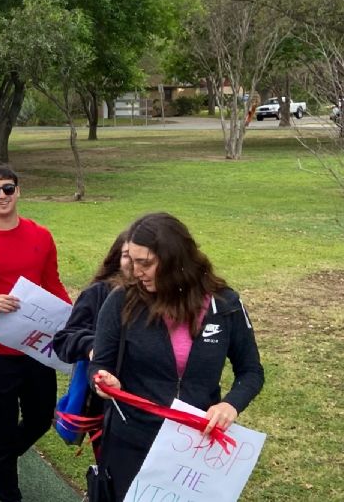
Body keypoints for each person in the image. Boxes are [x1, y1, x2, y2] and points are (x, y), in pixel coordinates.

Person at [90, 213, 264, 500]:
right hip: (131, 441)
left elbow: (251, 371)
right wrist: (103, 380)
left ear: (174, 259)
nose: (136, 271)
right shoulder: (122, 301)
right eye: (132, 261)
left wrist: (230, 405)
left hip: (194, 449)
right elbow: (99, 365)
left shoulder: (225, 305)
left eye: (145, 263)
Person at [0, 164, 71, 502]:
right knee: (1, 431)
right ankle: (9, 492)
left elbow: (52, 283)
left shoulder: (40, 235)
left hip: (37, 349)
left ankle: (3, 457)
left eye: (8, 188)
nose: (2, 196)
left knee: (39, 420)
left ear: (19, 191)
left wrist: (70, 318)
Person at [50, 230, 131, 460]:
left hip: (149, 404)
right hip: (105, 405)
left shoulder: (169, 299)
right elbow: (65, 340)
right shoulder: (100, 293)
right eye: (128, 255)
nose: (136, 265)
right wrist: (94, 347)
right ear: (118, 257)